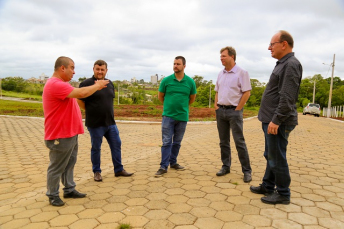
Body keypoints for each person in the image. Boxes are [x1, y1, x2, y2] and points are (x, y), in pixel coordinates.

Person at [43, 56, 109, 206]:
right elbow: (82, 93)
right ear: (62, 68)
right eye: (72, 68)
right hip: (60, 134)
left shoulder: (62, 84)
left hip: (70, 132)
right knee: (57, 166)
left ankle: (69, 189)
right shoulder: (55, 84)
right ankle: (52, 194)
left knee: (69, 163)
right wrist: (97, 85)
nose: (74, 71)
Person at [250, 30, 303, 205]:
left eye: (272, 44)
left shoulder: (291, 64)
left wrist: (276, 120)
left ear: (284, 44)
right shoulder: (283, 63)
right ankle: (268, 185)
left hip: (277, 122)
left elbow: (287, 97)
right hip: (272, 120)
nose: (269, 48)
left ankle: (283, 194)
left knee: (277, 157)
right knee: (270, 154)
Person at [77, 60, 133, 182]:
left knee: (116, 145)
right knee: (96, 148)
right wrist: (90, 109)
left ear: (106, 71)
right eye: (98, 69)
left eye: (102, 69)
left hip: (111, 123)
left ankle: (118, 169)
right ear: (93, 69)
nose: (100, 71)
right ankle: (97, 172)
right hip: (95, 123)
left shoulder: (109, 84)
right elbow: (79, 99)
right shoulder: (86, 83)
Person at [214, 46, 252, 183]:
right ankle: (225, 166)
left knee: (239, 142)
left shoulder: (242, 73)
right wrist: (216, 106)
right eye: (220, 56)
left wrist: (238, 109)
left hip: (234, 111)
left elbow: (247, 92)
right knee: (223, 142)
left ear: (232, 56)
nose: (221, 58)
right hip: (221, 111)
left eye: (223, 56)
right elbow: (217, 91)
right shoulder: (220, 73)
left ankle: (247, 171)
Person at [155, 56, 197, 176]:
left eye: (178, 64)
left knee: (177, 142)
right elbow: (160, 96)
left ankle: (173, 162)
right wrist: (169, 106)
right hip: (168, 116)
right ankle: (163, 166)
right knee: (166, 142)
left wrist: (182, 107)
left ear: (184, 66)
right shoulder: (166, 80)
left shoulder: (190, 82)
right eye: (174, 64)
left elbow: (192, 98)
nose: (175, 66)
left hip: (182, 117)